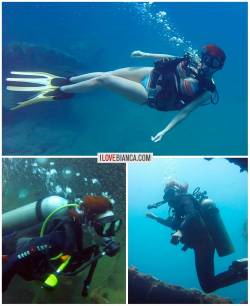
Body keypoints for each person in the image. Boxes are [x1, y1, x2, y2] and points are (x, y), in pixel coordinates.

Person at [6, 44, 225, 143]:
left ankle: (61, 91)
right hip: (149, 73)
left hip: (149, 95)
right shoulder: (194, 60)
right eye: (206, 58)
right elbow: (171, 58)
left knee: (104, 80)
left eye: (213, 64)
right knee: (104, 72)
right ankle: (68, 80)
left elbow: (185, 112)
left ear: (218, 68)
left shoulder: (207, 89)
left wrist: (165, 131)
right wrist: (144, 54)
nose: (207, 64)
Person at [3, 195, 122, 296]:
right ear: (89, 224)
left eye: (114, 226)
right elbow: (13, 260)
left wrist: (86, 286)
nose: (110, 234)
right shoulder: (61, 238)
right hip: (7, 247)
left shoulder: (91, 245)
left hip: (26, 266)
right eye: (104, 227)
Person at [146, 180, 248, 293]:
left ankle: (244, 272)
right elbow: (173, 224)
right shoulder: (178, 209)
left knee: (208, 285)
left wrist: (180, 231)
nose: (169, 198)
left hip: (204, 243)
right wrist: (156, 218)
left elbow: (192, 215)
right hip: (200, 245)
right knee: (208, 285)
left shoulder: (186, 199)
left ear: (178, 191)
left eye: (171, 193)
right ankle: (243, 270)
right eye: (166, 195)